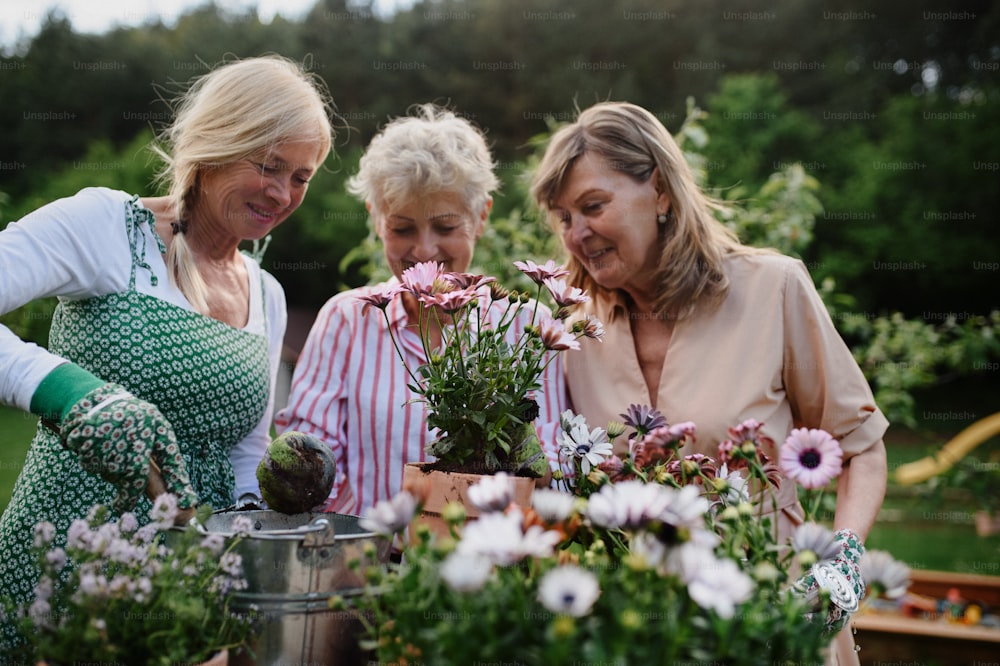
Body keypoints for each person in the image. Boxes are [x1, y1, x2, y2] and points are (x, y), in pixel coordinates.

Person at [529, 101, 888, 666]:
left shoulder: (774, 289)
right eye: (563, 218)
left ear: (662, 192)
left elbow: (861, 444)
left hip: (776, 616)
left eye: (593, 206)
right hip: (637, 627)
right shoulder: (573, 332)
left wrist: (842, 562)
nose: (576, 234)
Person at [0, 55, 334, 612]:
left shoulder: (267, 294)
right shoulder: (105, 228)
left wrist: (260, 517)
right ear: (216, 145)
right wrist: (64, 390)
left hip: (186, 590)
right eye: (270, 166)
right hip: (60, 570)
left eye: (301, 177)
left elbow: (246, 446)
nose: (283, 194)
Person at [276, 104, 566, 516]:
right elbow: (308, 462)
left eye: (446, 227)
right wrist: (370, 541)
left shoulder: (529, 328)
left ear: (481, 217)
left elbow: (553, 464)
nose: (425, 251)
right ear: (375, 220)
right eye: (402, 228)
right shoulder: (346, 319)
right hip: (364, 563)